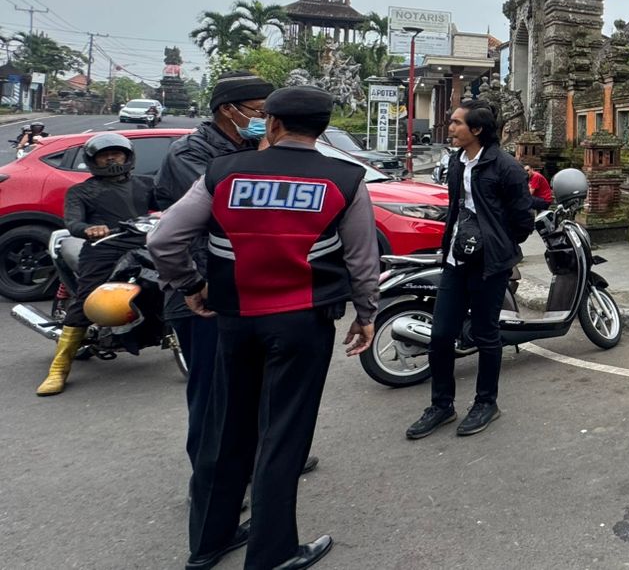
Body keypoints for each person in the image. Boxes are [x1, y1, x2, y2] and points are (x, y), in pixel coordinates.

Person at [148, 85, 379, 570]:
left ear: (272, 123)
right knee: (283, 434)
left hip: (234, 319)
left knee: (224, 427)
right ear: (323, 129)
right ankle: (271, 554)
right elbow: (362, 258)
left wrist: (190, 284)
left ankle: (208, 542)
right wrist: (366, 314)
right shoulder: (345, 179)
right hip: (303, 323)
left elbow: (164, 238)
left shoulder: (223, 173)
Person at [152, 72, 299, 474]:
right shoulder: (190, 153)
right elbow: (234, 207)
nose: (267, 120)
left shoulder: (250, 145)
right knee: (212, 395)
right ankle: (210, 484)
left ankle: (257, 462)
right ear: (228, 110)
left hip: (252, 287)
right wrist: (267, 154)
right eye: (260, 111)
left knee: (256, 385)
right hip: (202, 289)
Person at [406, 100, 536, 441]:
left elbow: (523, 219)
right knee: (440, 335)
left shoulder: (505, 166)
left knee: (485, 333)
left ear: (476, 129)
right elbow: (456, 207)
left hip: (489, 264)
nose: (450, 127)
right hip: (455, 259)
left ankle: (486, 403)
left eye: (456, 123)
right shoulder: (456, 161)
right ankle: (441, 405)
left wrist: (497, 242)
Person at [35, 133, 155, 396]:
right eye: (104, 155)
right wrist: (89, 229)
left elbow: (172, 208)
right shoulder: (81, 191)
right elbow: (73, 222)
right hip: (103, 247)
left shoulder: (146, 184)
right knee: (87, 299)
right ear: (93, 160)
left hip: (145, 243)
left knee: (182, 278)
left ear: (128, 157)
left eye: (116, 154)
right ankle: (59, 368)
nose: (111, 159)